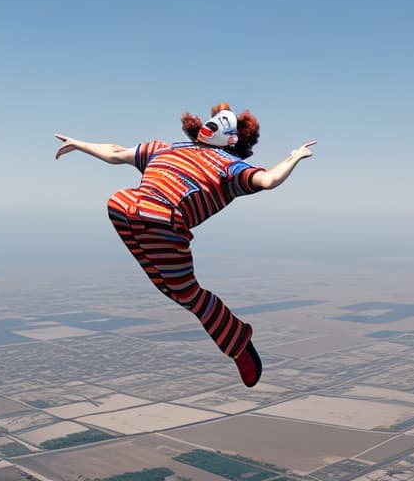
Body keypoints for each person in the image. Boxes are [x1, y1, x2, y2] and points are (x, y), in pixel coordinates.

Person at [55, 103, 316, 387]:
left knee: (187, 293)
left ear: (232, 140)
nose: (212, 124)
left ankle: (239, 341)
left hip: (165, 220)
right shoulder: (165, 148)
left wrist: (294, 157)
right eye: (213, 119)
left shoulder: (230, 168)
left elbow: (267, 179)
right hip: (128, 208)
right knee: (169, 284)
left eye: (222, 124)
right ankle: (233, 336)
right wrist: (79, 144)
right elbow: (117, 153)